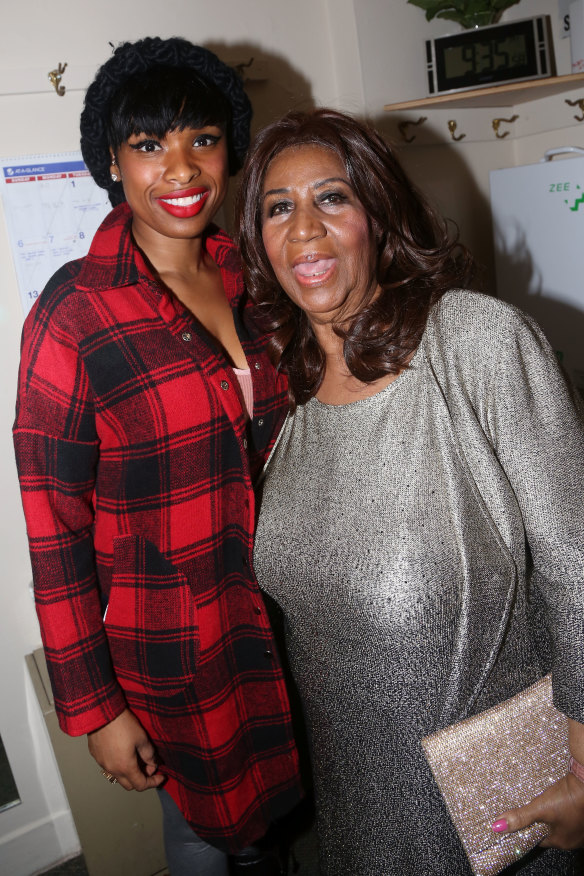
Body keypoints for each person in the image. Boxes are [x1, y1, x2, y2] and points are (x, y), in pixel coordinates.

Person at [235, 107, 584, 875]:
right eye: (278, 207)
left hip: (494, 802)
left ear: (379, 215)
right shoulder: (287, 392)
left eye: (332, 198)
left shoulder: (475, 342)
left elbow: (577, 561)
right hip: (354, 800)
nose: (305, 230)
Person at [13, 37, 303, 876]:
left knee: (272, 830)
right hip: (176, 641)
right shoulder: (73, 316)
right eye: (149, 145)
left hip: (283, 613)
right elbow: (54, 532)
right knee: (207, 838)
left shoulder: (258, 276)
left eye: (201, 140)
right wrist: (96, 709)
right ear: (112, 160)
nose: (180, 170)